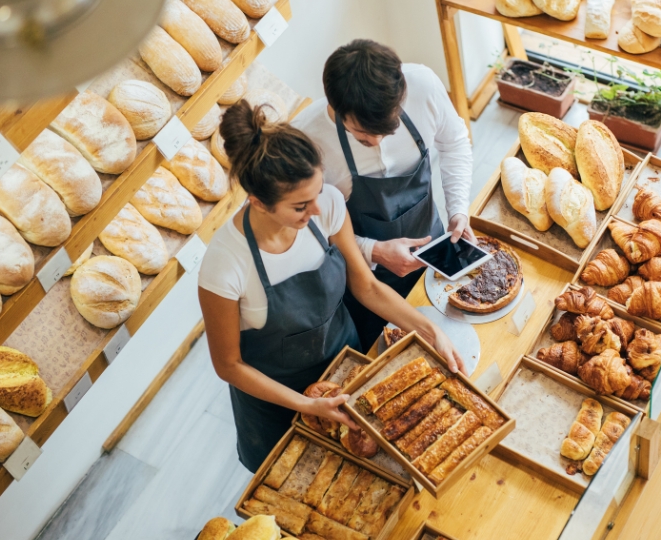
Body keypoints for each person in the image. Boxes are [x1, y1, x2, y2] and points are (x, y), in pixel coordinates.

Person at [198, 100, 464, 472]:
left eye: (318, 192)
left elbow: (367, 288)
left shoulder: (328, 205)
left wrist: (430, 331)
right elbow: (229, 365)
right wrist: (306, 405)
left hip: (346, 370)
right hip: (278, 404)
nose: (318, 211)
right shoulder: (225, 265)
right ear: (257, 202)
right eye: (300, 206)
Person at [292, 39, 474, 349]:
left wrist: (458, 209)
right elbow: (309, 232)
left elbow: (454, 142)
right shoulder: (306, 141)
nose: (376, 141)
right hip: (365, 280)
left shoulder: (422, 86)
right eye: (363, 134)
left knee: (452, 336)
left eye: (386, 131)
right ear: (335, 108)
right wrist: (373, 251)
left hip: (433, 251)